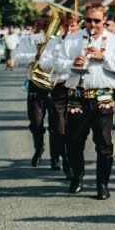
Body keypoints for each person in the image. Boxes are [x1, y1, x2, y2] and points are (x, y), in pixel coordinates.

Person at [58, 4, 115, 199]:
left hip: (102, 97)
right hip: (78, 96)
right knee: (74, 142)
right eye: (89, 20)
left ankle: (102, 184)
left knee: (104, 144)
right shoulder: (73, 39)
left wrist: (104, 57)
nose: (92, 24)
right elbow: (57, 63)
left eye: (97, 21)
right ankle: (77, 175)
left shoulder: (114, 41)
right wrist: (72, 63)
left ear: (104, 21)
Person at [10, 15, 56, 167]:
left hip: (54, 84)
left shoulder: (56, 41)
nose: (42, 28)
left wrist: (45, 59)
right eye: (39, 25)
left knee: (56, 125)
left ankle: (55, 158)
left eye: (45, 25)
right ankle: (38, 148)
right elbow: (17, 58)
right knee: (36, 123)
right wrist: (34, 56)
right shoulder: (27, 40)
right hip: (35, 85)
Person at [38, 13, 79, 177]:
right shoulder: (54, 42)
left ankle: (70, 161)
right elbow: (43, 63)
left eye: (73, 26)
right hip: (59, 87)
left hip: (76, 88)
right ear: (61, 26)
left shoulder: (80, 42)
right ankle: (57, 156)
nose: (69, 29)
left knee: (74, 129)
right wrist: (58, 61)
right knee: (58, 127)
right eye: (66, 26)